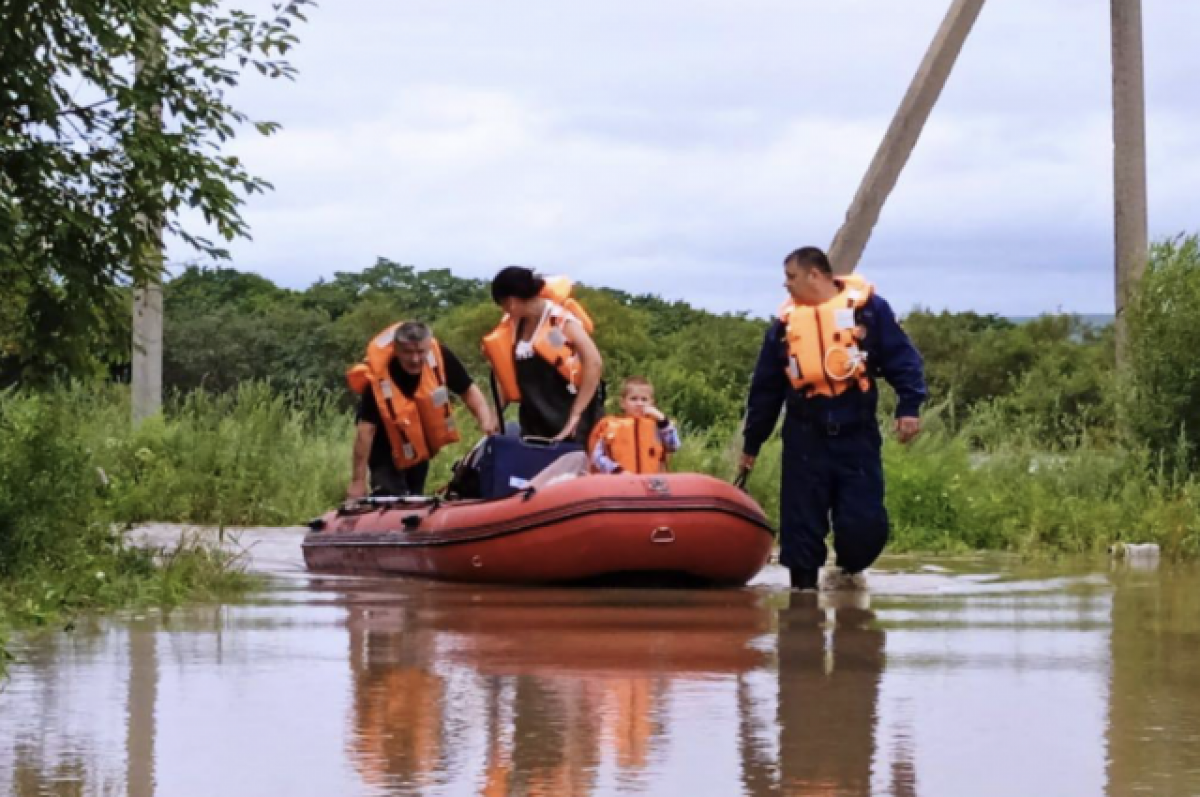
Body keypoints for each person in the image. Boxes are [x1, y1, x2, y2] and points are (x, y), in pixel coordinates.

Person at [740, 246, 927, 591]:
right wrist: (752, 443)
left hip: (856, 432)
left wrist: (909, 407)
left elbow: (904, 360)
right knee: (801, 529)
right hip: (804, 435)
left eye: (791, 277)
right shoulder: (783, 327)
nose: (786, 286)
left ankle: (849, 573)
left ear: (815, 274)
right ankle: (802, 606)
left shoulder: (870, 311)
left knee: (863, 525)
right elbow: (765, 390)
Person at [347, 321, 497, 499]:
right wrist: (358, 481)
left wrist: (486, 421)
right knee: (391, 497)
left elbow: (468, 390)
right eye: (408, 352)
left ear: (428, 346)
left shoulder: (440, 357)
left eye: (420, 352)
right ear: (396, 349)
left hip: (418, 443)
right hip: (385, 447)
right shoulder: (378, 374)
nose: (415, 359)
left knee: (414, 498)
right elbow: (366, 430)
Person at [482, 266, 604, 444]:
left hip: (571, 421)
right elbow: (507, 377)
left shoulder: (561, 320)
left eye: (503, 305)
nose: (505, 311)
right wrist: (494, 415)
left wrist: (576, 414)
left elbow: (594, 363)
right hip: (534, 423)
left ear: (511, 301)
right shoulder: (512, 324)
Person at [589, 376, 681, 474]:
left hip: (649, 483)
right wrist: (616, 470)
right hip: (620, 481)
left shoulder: (658, 426)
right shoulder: (610, 426)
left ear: (651, 403)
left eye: (644, 399)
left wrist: (662, 419)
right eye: (633, 399)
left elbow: (674, 446)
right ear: (623, 403)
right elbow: (597, 457)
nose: (639, 403)